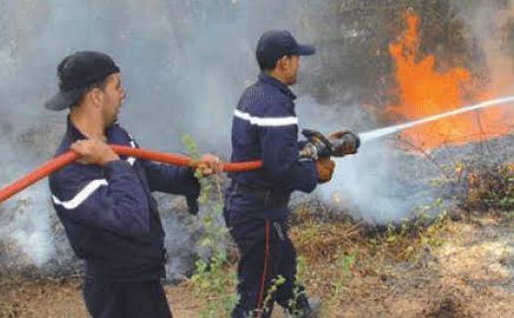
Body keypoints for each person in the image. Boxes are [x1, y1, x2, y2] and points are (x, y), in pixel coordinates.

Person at [45, 50, 222, 318]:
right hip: (116, 293)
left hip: (143, 278)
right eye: (117, 86)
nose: (123, 94)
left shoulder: (116, 135)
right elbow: (131, 221)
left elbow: (148, 174)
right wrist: (111, 162)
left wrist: (194, 171)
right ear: (96, 96)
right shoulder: (69, 173)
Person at [225, 31, 336, 318]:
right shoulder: (275, 102)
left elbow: (268, 149)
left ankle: (300, 311)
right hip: (258, 213)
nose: (299, 64)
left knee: (284, 262)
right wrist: (316, 172)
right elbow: (280, 168)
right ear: (284, 62)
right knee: (255, 297)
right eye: (297, 58)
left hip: (251, 204)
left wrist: (313, 147)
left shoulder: (255, 93)